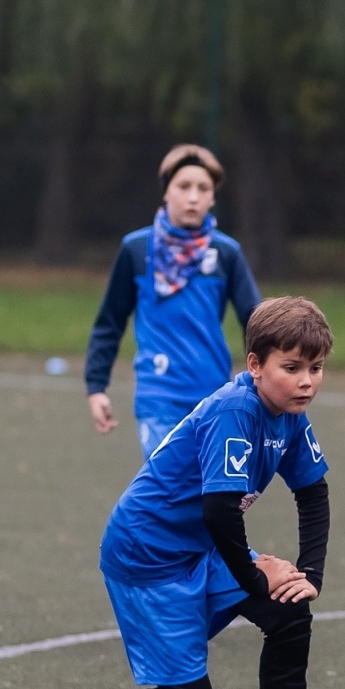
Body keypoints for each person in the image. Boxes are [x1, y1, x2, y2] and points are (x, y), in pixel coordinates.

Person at [0, 297, 342, 689]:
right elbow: (219, 511)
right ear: (255, 365)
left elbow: (313, 493)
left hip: (201, 547)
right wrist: (254, 577)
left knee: (289, 610)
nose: (307, 381)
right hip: (148, 555)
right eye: (291, 368)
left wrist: (310, 575)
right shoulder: (236, 410)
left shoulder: (288, 412)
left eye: (316, 368)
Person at [86, 144, 262, 457]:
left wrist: (267, 381)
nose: (193, 197)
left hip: (214, 395)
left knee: (212, 487)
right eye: (184, 186)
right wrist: (96, 386)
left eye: (203, 188)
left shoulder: (226, 253)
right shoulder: (136, 250)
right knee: (169, 483)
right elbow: (109, 322)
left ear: (213, 198)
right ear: (166, 191)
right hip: (158, 396)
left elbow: (257, 322)